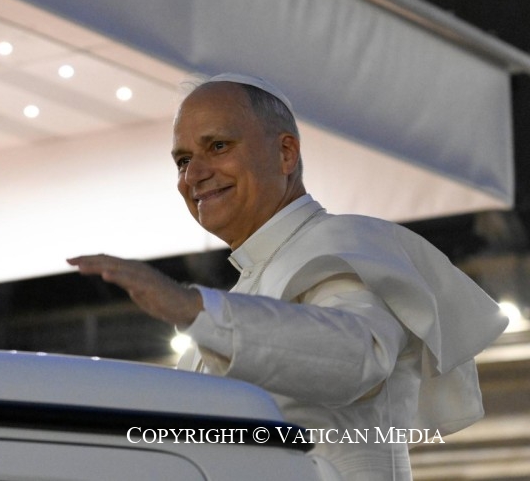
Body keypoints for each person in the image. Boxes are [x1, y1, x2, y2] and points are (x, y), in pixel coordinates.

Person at [67, 72, 508, 480]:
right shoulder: (246, 286)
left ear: (285, 153)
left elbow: (356, 357)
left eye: (217, 146)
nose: (194, 175)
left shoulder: (343, 244)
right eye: (183, 159)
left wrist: (194, 309)